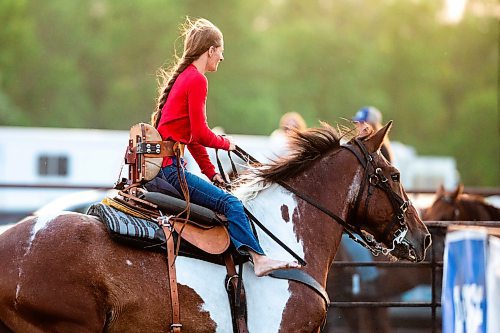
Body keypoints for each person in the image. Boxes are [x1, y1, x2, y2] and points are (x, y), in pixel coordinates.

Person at [150, 17, 299, 277]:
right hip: (170, 169)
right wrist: (227, 144)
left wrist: (212, 173)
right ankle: (259, 259)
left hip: (165, 167)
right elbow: (201, 134)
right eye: (220, 51)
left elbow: (192, 139)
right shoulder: (197, 80)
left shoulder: (186, 77)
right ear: (210, 50)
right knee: (231, 204)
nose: (221, 57)